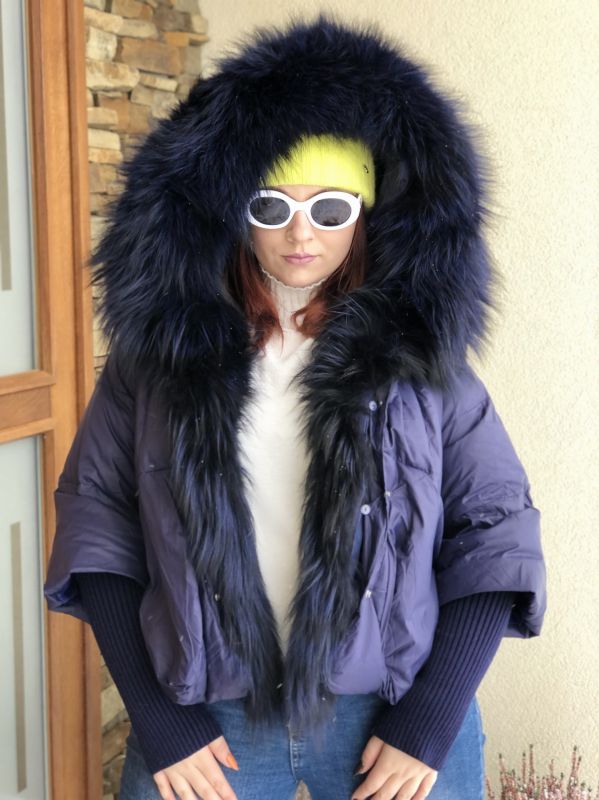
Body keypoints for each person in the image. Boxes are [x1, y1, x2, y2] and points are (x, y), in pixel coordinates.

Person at [43, 14, 547, 800]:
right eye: (271, 207)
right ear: (234, 211)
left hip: (389, 714)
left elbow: (497, 529)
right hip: (207, 720)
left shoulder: (421, 362)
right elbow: (97, 522)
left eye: (331, 208)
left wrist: (429, 720)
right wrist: (159, 719)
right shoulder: (160, 359)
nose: (301, 235)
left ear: (366, 214)